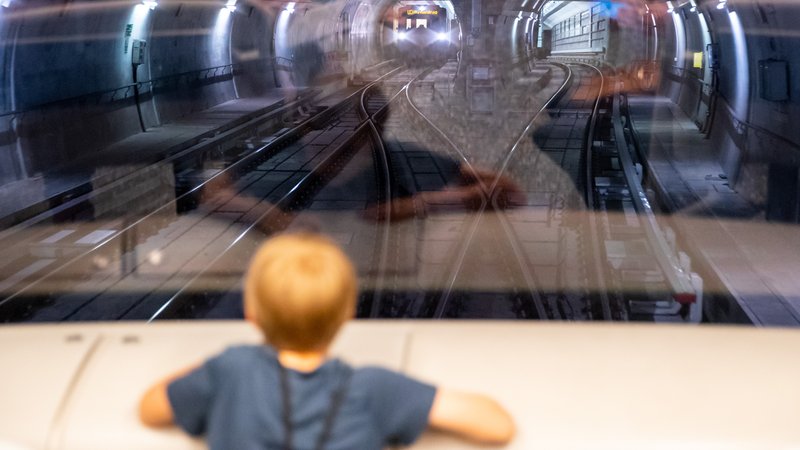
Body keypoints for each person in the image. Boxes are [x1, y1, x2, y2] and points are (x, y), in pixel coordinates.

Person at [139, 232, 515, 449]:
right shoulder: (373, 388)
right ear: (347, 315)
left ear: (251, 314)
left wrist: (212, 367)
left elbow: (151, 409)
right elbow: (497, 427)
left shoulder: (230, 371)